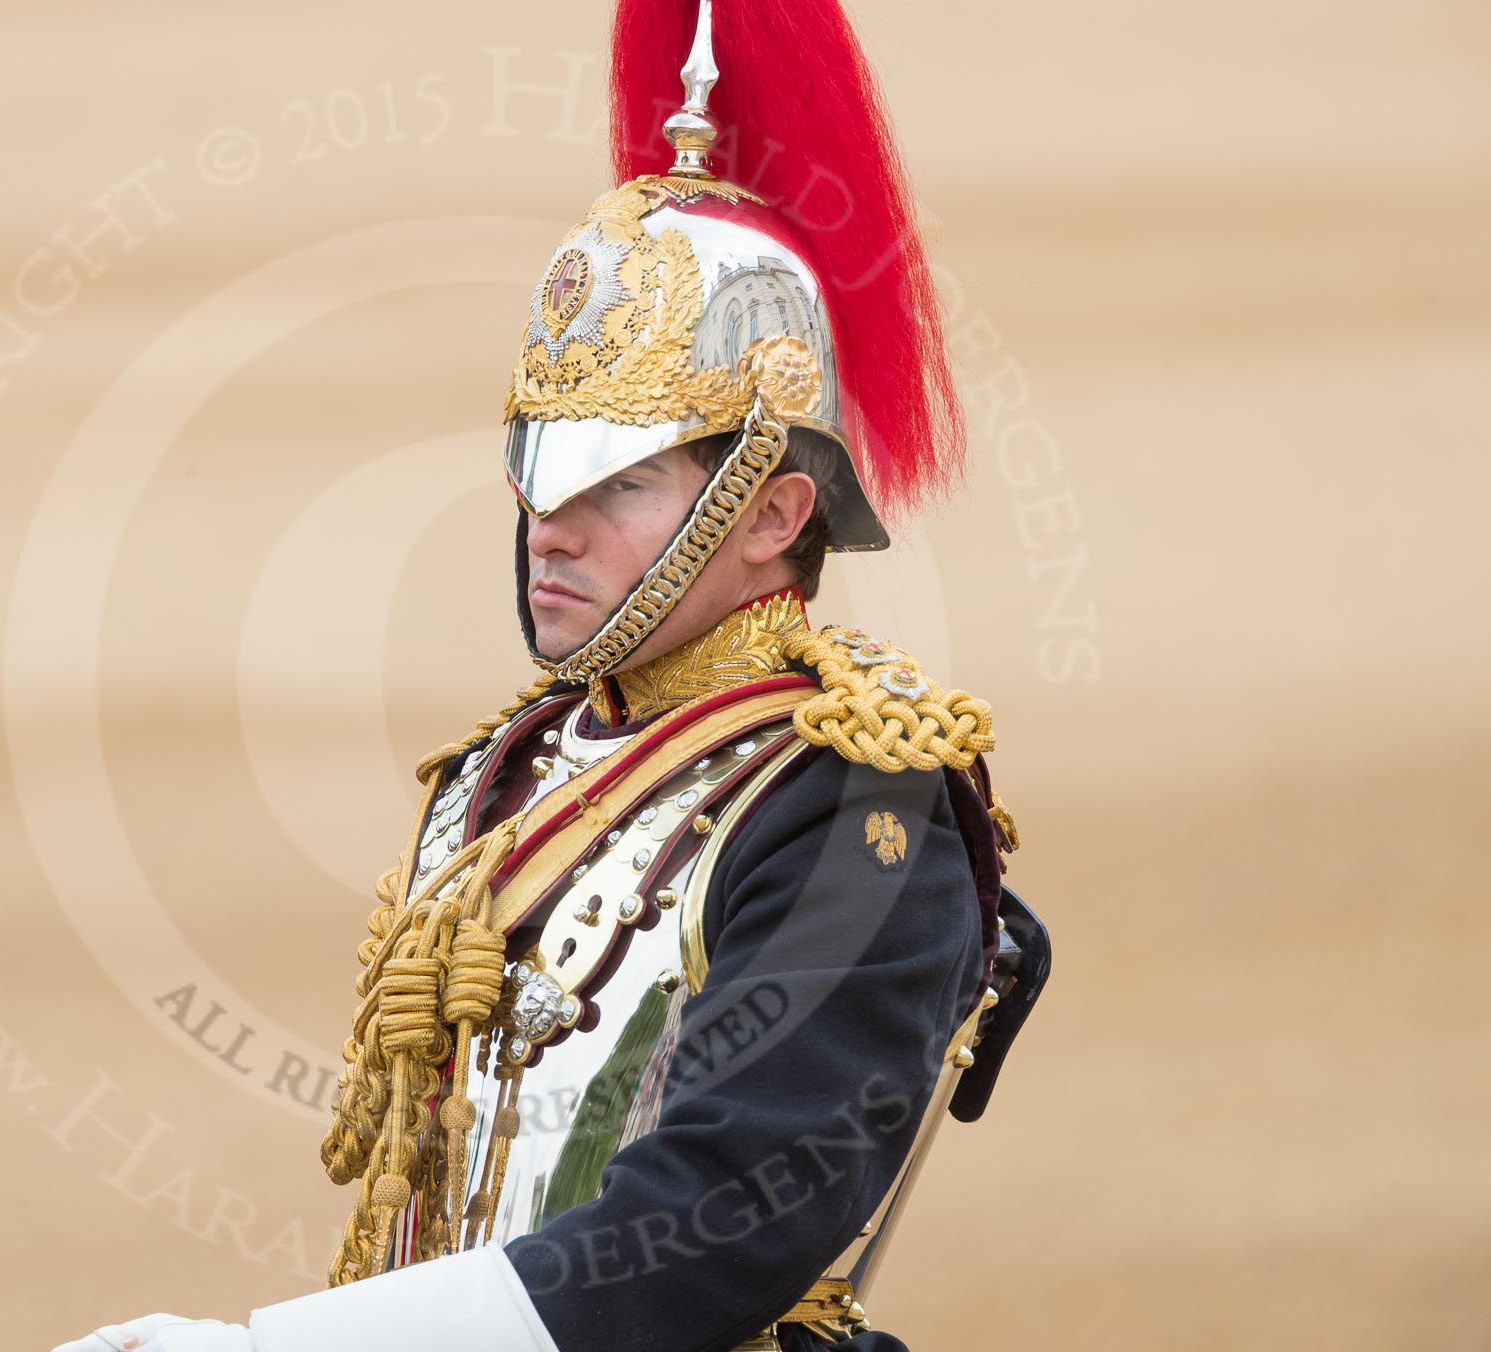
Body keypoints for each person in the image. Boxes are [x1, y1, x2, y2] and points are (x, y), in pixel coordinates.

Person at [52, 1, 1032, 1348]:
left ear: (771, 514)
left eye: (621, 482)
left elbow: (718, 1220)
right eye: (545, 469)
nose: (548, 526)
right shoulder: (505, 771)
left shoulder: (857, 798)